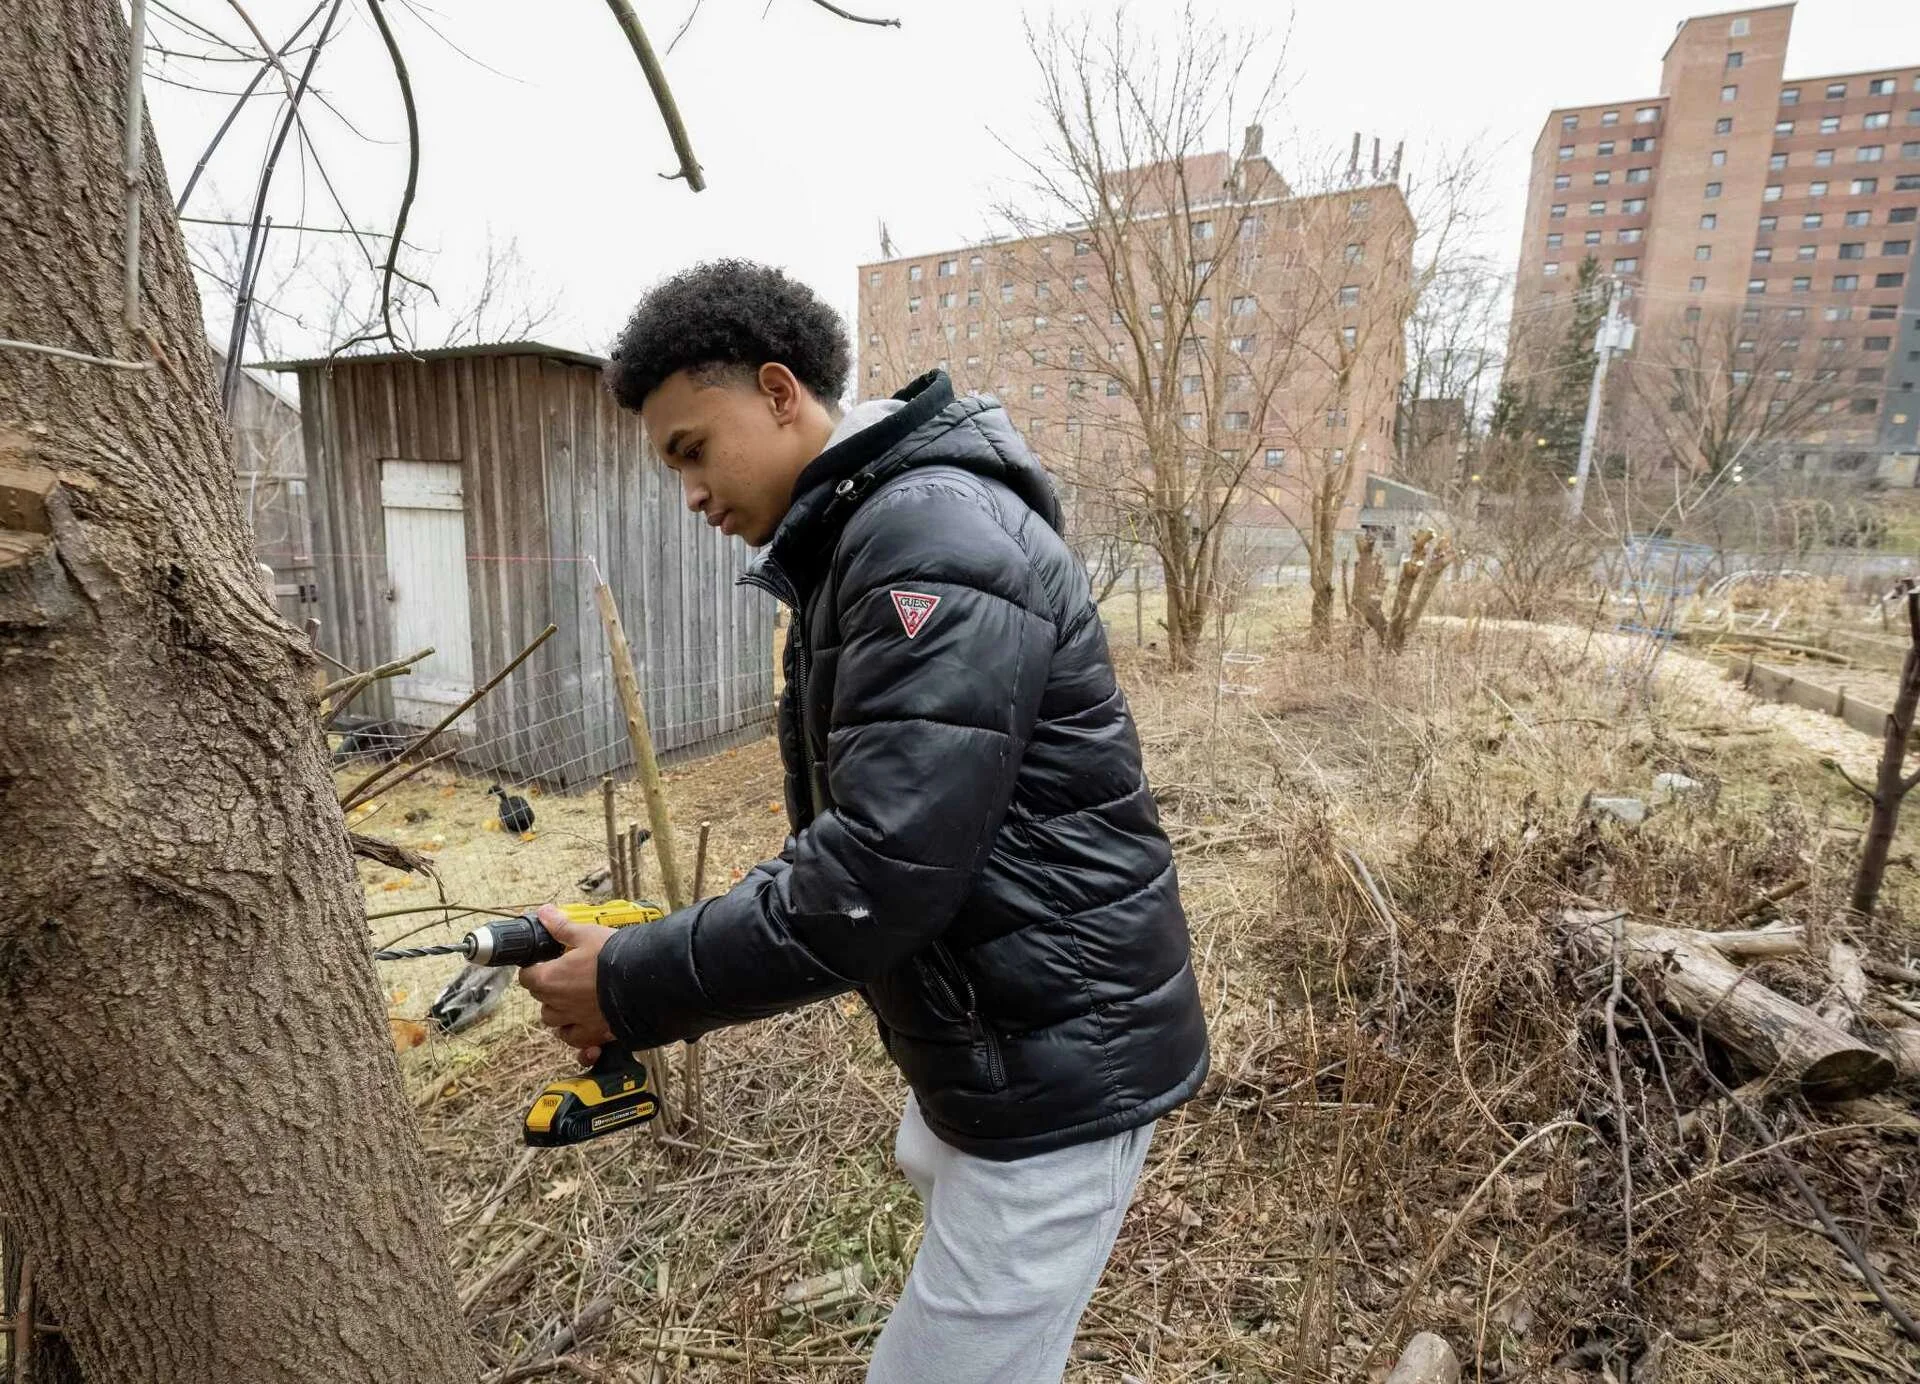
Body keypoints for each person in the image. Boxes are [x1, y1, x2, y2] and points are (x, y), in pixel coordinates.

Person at [520, 259, 1207, 1382]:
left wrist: (634, 980)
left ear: (781, 392)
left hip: (1060, 1072)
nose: (688, 493)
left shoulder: (927, 538)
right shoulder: (873, 541)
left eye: (692, 447)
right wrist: (654, 957)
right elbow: (872, 838)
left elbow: (877, 874)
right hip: (1008, 1050)